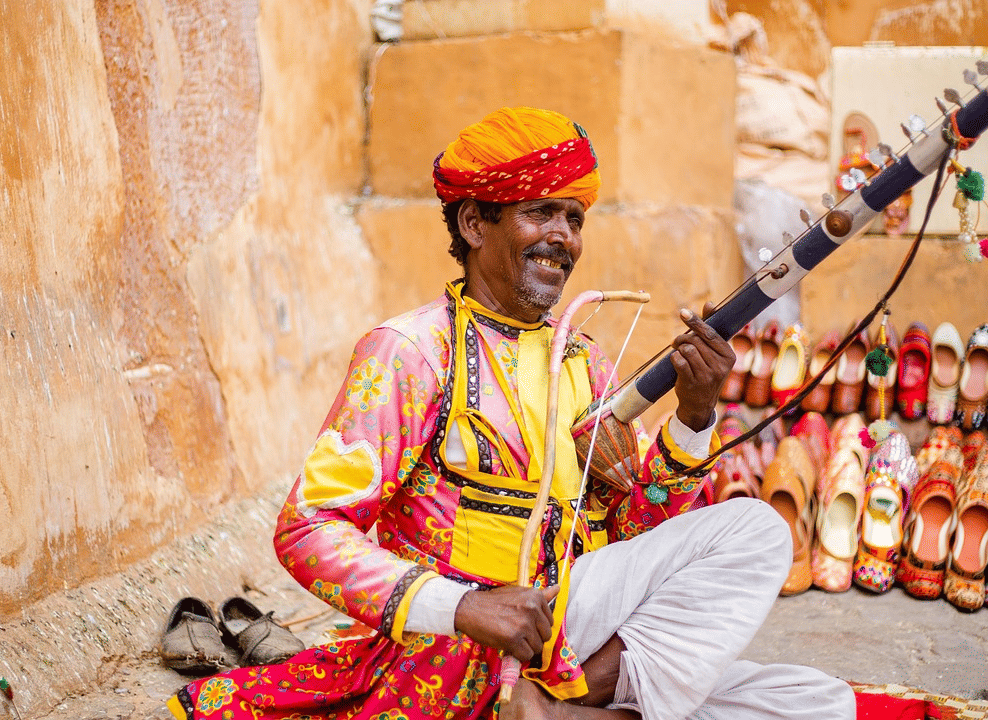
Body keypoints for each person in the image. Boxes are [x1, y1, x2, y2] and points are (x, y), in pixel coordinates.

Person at [167, 107, 855, 720]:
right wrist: (463, 606)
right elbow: (309, 528)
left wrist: (694, 418)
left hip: (570, 632)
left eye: (575, 218)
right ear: (474, 223)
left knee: (821, 701)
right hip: (457, 646)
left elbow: (638, 532)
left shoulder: (584, 360)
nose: (564, 237)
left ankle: (562, 705)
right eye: (542, 213)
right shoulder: (411, 353)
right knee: (760, 530)